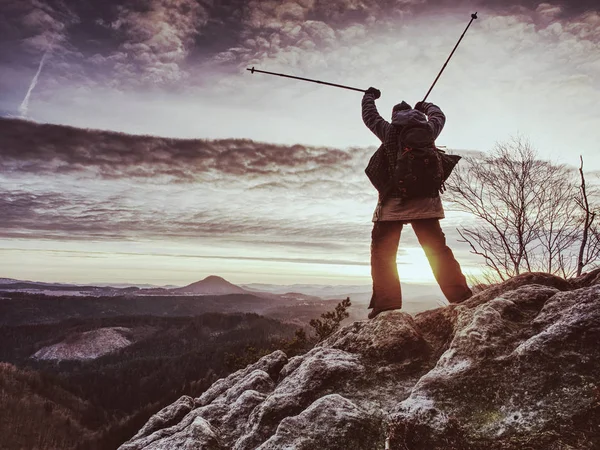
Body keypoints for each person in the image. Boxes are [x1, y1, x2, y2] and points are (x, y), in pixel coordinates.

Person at [361, 87, 472, 319]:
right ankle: (461, 296)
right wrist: (426, 106)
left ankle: (387, 302)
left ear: (394, 116)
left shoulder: (390, 131)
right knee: (437, 252)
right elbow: (439, 116)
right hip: (427, 206)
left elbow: (369, 116)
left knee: (383, 253)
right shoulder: (429, 130)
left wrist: (369, 96)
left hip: (393, 205)